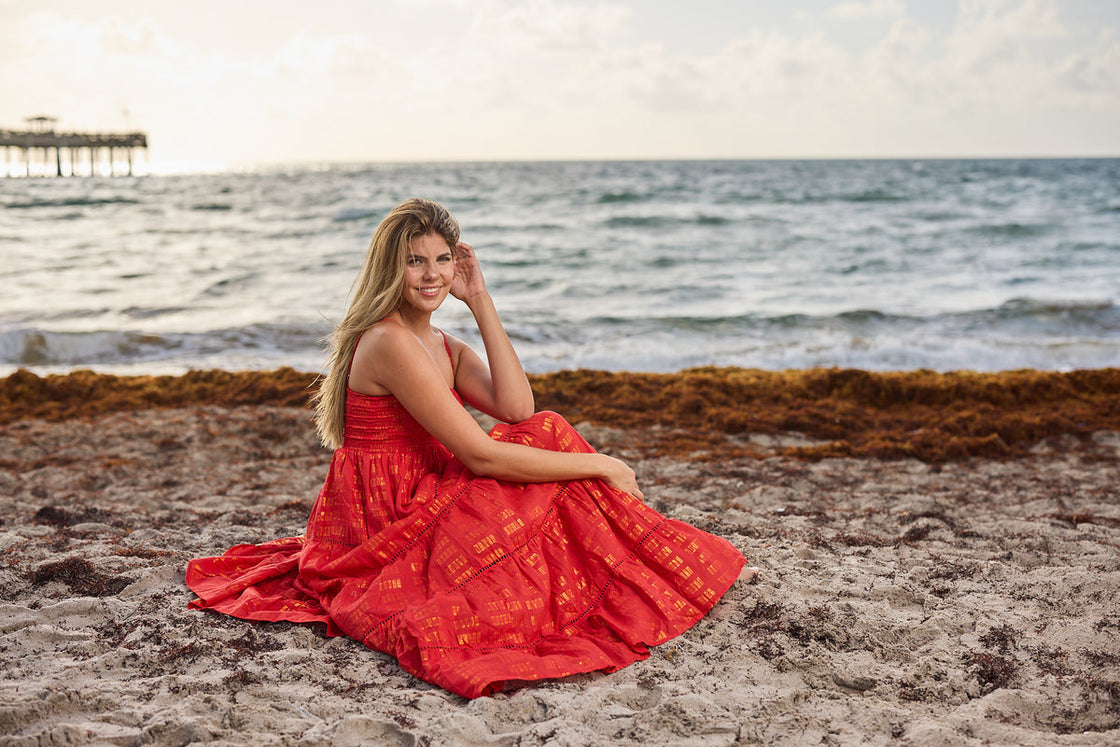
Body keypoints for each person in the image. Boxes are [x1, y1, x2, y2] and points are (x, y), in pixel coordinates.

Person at [186, 198, 751, 699]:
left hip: (429, 487)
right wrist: (601, 463)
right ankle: (641, 567)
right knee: (556, 457)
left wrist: (480, 300)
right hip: (386, 519)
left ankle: (637, 567)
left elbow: (518, 408)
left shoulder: (439, 343)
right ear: (391, 267)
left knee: (545, 430)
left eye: (442, 260)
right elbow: (482, 456)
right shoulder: (388, 341)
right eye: (415, 261)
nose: (431, 275)